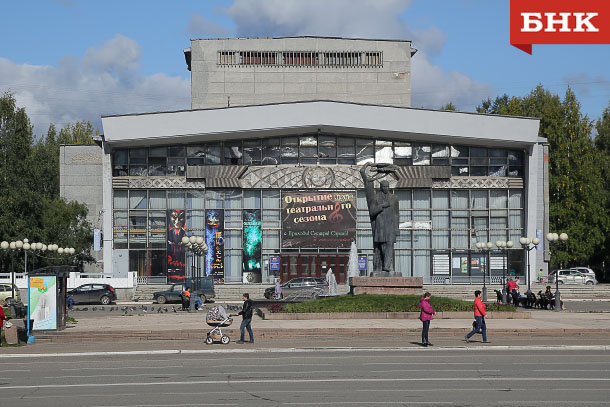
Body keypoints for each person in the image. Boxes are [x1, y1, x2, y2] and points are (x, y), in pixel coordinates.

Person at [359, 162, 400, 273]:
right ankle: (384, 266)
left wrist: (397, 228)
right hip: (380, 227)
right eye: (384, 187)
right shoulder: (376, 197)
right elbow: (372, 211)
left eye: (387, 186)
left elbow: (396, 214)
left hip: (390, 227)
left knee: (390, 245)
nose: (386, 188)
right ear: (381, 188)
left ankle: (387, 266)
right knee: (382, 247)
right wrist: (382, 206)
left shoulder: (394, 198)